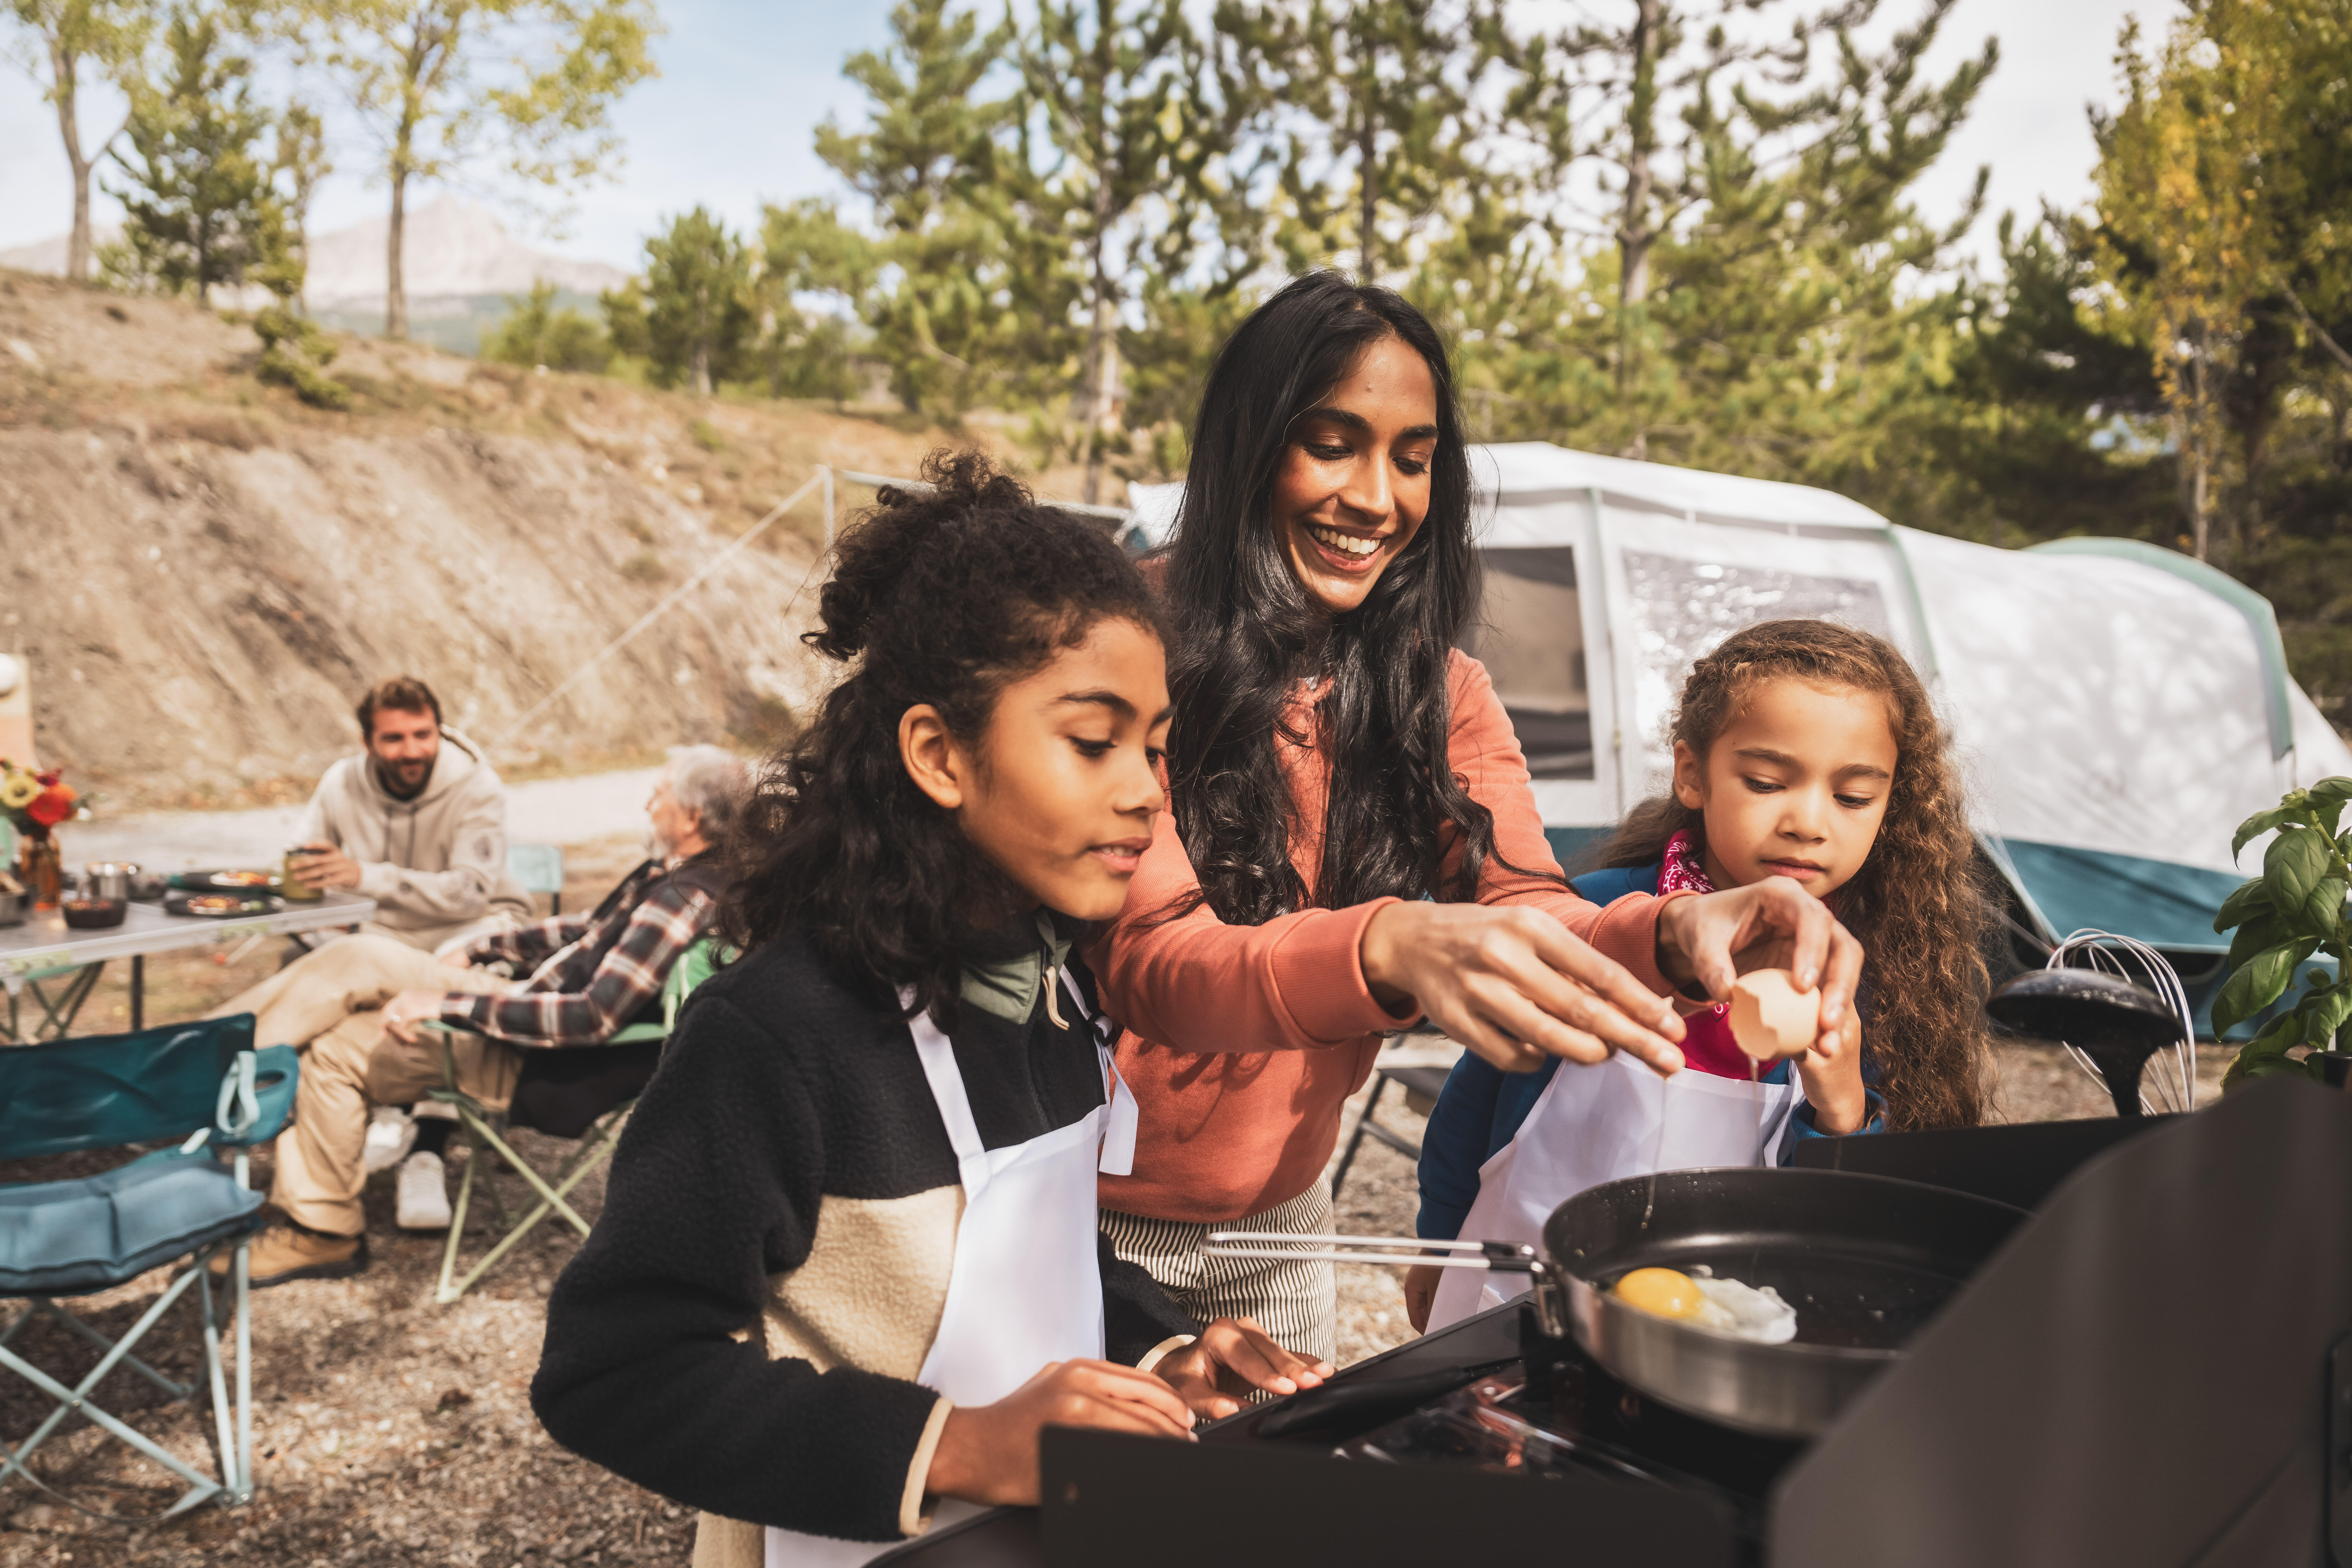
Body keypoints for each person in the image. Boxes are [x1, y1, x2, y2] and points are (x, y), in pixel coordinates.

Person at [532, 455, 1331, 1567]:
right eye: (1094, 740)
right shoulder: (775, 1034)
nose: (1151, 789)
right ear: (939, 753)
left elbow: (1042, 1268)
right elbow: (615, 1368)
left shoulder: (1046, 989)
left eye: (1156, 746)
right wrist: (955, 1443)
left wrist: (1163, 1356)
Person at [1088, 272, 1862, 1363]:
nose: (1376, 497)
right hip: (1081, 1219)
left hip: (1282, 1231)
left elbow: (1531, 908)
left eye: (1413, 459)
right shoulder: (1124, 645)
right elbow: (1157, 960)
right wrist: (1388, 939)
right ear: (1248, 446)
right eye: (1332, 442)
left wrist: (1673, 936)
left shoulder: (1440, 693)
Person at [1410, 619, 1994, 1330]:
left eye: (1853, 798)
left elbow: (1859, 1214)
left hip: (1722, 1322)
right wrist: (1439, 1245)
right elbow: (1477, 1096)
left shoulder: (1880, 978)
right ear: (1693, 773)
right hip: (1516, 1287)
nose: (1809, 822)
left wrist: (1841, 1112)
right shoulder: (1594, 914)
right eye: (1767, 782)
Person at [210, 745, 751, 1287]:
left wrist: (449, 1005)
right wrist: (488, 946)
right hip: (523, 1014)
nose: (648, 804)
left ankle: (204, 1078)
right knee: (350, 977)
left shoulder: (685, 897)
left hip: (537, 1061)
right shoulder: (686, 878)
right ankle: (218, 1089)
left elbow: (592, 1017)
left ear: (692, 817)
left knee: (343, 1015)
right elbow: (588, 932)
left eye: (659, 795)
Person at [284, 675, 533, 952]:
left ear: (439, 732)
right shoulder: (341, 781)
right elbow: (299, 861)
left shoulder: (478, 786)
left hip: (473, 926)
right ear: (368, 743)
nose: (412, 752)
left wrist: (362, 876)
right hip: (379, 930)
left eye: (423, 735)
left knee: (459, 975)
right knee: (300, 956)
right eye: (394, 739)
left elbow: (469, 896)